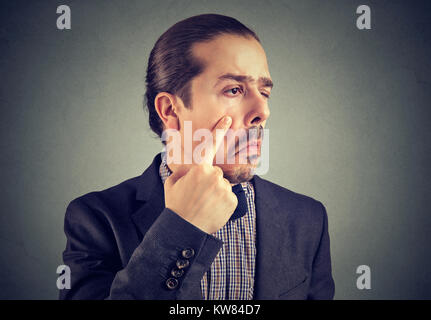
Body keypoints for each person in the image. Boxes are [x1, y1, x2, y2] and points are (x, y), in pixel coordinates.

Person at [60, 14, 335, 300]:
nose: (262, 112)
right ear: (170, 110)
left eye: (264, 92)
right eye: (234, 90)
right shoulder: (95, 218)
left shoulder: (308, 219)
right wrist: (181, 227)